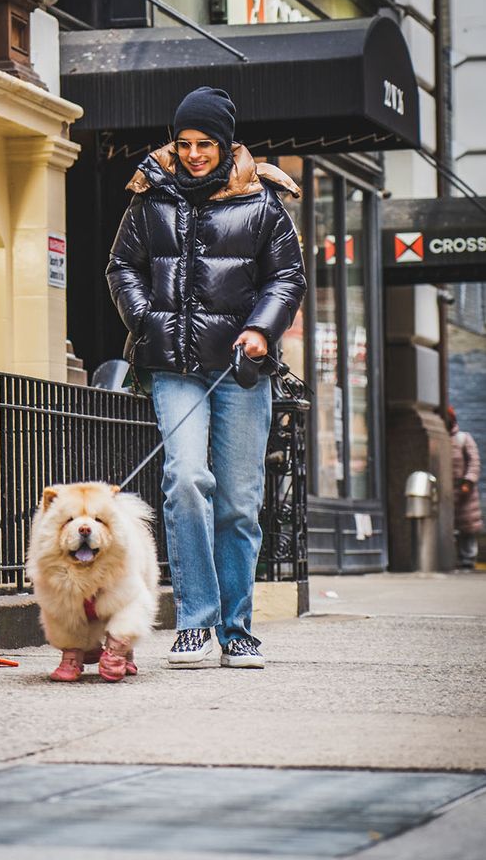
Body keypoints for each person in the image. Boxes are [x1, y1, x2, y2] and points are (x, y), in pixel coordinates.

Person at [106, 86, 306, 668]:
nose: (194, 154)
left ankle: (236, 628)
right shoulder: (149, 198)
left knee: (240, 503)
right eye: (184, 142)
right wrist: (145, 318)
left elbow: (287, 277)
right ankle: (195, 622)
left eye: (206, 143)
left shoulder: (262, 204)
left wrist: (263, 329)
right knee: (188, 480)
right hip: (173, 366)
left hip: (242, 371)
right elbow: (122, 265)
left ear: (225, 142)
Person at [447, 406, 483, 569]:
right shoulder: (441, 438)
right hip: (446, 492)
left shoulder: (463, 438)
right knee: (449, 527)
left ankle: (468, 559)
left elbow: (474, 462)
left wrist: (468, 481)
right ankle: (453, 559)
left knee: (467, 527)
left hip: (464, 491)